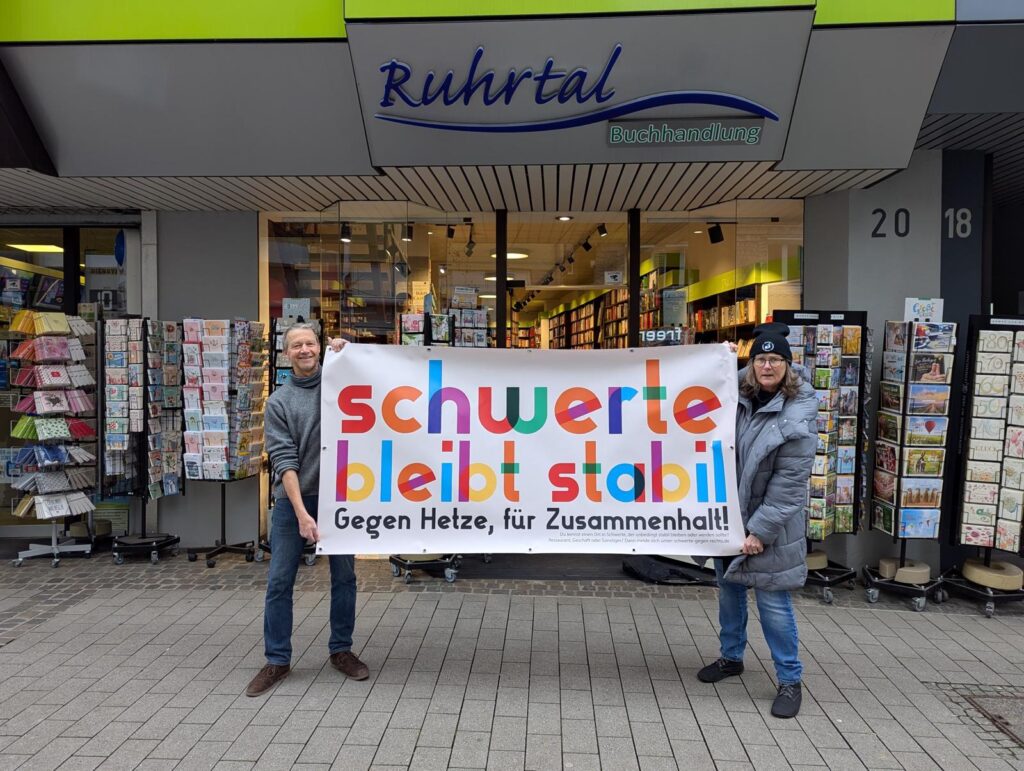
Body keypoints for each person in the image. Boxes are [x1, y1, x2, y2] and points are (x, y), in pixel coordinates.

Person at [698, 323, 816, 719]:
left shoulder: (796, 416)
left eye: (775, 360)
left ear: (787, 364)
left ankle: (789, 678)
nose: (766, 366)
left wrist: (759, 532)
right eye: (760, 359)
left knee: (773, 605)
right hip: (729, 517)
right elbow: (704, 383)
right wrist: (720, 356)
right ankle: (731, 658)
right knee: (729, 593)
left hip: (770, 528)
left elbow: (788, 486)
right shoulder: (740, 393)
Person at [246, 323, 369, 697]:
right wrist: (302, 513)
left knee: (344, 577)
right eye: (296, 345)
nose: (305, 350)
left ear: (320, 347)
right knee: (280, 581)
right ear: (286, 354)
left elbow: (377, 378)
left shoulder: (340, 382)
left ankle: (341, 651)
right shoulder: (279, 403)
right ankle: (277, 660)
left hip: (341, 498)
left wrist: (350, 349)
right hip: (295, 501)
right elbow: (285, 463)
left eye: (311, 343)